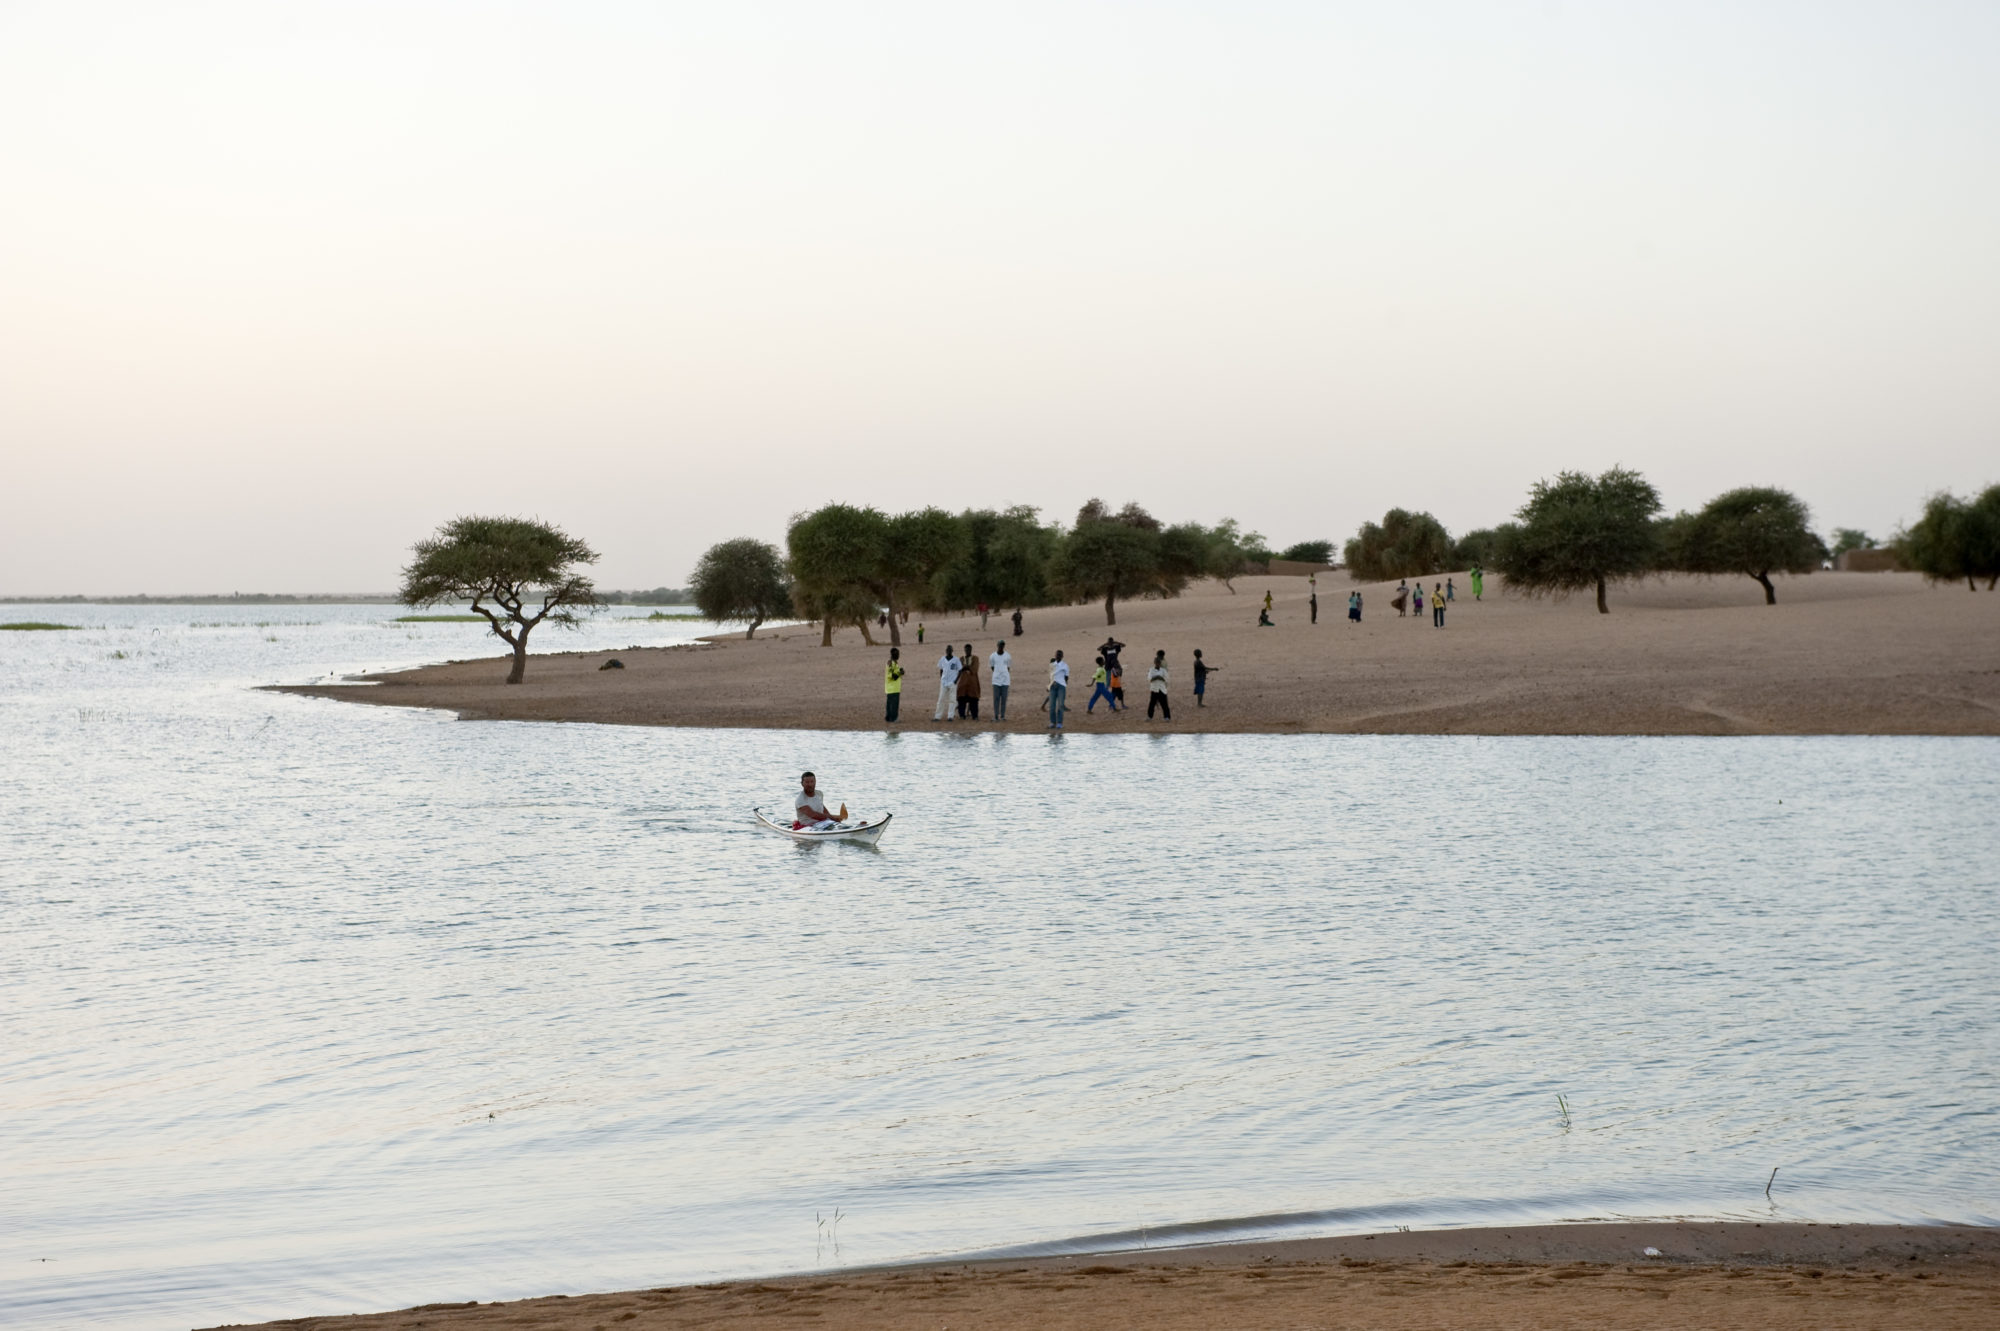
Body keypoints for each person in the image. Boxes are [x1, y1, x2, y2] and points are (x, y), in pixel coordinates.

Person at [933, 644, 960, 721]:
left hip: (952, 682)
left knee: (952, 700)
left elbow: (960, 670)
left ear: (952, 651)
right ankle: (937, 716)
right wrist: (941, 678)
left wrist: (956, 680)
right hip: (944, 682)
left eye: (950, 650)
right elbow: (941, 669)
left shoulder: (956, 660)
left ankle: (950, 716)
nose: (948, 651)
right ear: (946, 651)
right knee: (941, 699)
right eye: (947, 650)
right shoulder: (942, 659)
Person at [956, 643, 981, 718]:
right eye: (966, 650)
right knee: (961, 699)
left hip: (973, 683)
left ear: (971, 650)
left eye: (969, 649)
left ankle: (974, 715)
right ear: (964, 650)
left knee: (973, 700)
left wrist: (966, 667)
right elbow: (959, 669)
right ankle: (962, 715)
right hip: (963, 684)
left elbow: (974, 669)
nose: (967, 651)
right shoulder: (961, 659)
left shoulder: (975, 658)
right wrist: (967, 667)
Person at [989, 640, 1012, 721]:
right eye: (1000, 645)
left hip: (1005, 680)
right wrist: (997, 673)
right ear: (997, 645)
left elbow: (1008, 667)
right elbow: (992, 667)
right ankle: (996, 716)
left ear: (1004, 646)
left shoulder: (1008, 656)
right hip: (996, 680)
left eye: (1002, 645)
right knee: (996, 699)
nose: (1001, 647)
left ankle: (1002, 716)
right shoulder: (992, 656)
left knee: (1004, 699)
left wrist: (1003, 673)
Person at [1047, 650, 1069, 729]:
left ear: (1062, 656)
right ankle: (1052, 722)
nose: (1058, 656)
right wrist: (1049, 685)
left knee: (1060, 705)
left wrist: (1063, 683)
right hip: (1053, 686)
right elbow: (1050, 676)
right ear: (1055, 655)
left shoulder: (1065, 665)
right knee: (1052, 705)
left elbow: (1066, 677)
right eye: (1057, 655)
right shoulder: (1051, 665)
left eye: (1060, 655)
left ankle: (1059, 723)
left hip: (1061, 686)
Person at [1146, 650, 1171, 720]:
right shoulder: (1151, 670)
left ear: (1160, 663)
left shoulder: (1163, 670)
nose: (1158, 664)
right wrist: (1158, 677)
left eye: (1159, 663)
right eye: (1157, 663)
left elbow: (1166, 679)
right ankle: (1149, 716)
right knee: (1152, 703)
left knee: (1164, 704)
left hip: (1162, 688)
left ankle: (1167, 717)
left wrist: (1159, 678)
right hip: (1154, 688)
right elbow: (1149, 679)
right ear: (1155, 663)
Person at [883, 647, 903, 723]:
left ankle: (888, 717)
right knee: (894, 704)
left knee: (889, 703)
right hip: (893, 687)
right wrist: (900, 673)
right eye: (897, 654)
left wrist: (899, 671)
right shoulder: (891, 663)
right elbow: (891, 676)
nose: (898, 655)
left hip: (890, 687)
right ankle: (894, 718)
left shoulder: (893, 663)